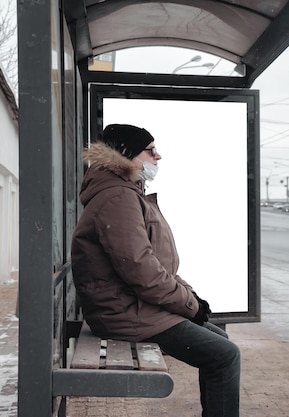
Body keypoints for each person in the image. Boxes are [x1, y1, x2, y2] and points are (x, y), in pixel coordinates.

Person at [71, 124, 240, 417]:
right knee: (224, 356)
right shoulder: (118, 198)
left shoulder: (125, 193)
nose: (158, 156)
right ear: (126, 154)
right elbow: (141, 270)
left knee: (222, 343)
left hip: (130, 306)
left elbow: (154, 263)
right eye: (150, 150)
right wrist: (189, 305)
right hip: (125, 313)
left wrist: (190, 297)